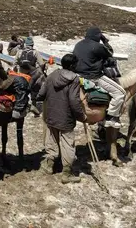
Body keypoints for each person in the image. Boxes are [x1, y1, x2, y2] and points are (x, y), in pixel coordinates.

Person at [38, 54, 85, 184]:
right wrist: (81, 115)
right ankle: (66, 174)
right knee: (67, 143)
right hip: (65, 117)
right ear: (71, 66)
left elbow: (41, 94)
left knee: (52, 139)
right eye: (75, 65)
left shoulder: (52, 75)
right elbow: (74, 101)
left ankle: (49, 166)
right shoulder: (74, 79)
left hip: (50, 114)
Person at [72, 27, 125, 129]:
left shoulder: (78, 44)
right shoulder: (98, 46)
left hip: (77, 75)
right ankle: (110, 118)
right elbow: (110, 53)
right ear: (98, 36)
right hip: (93, 76)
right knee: (120, 93)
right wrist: (105, 41)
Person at [16, 37, 46, 112]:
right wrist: (40, 72)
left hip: (21, 74)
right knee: (34, 89)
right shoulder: (35, 52)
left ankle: (20, 105)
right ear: (32, 44)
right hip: (32, 75)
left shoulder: (19, 51)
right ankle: (34, 104)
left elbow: (15, 63)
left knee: (21, 90)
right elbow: (42, 64)